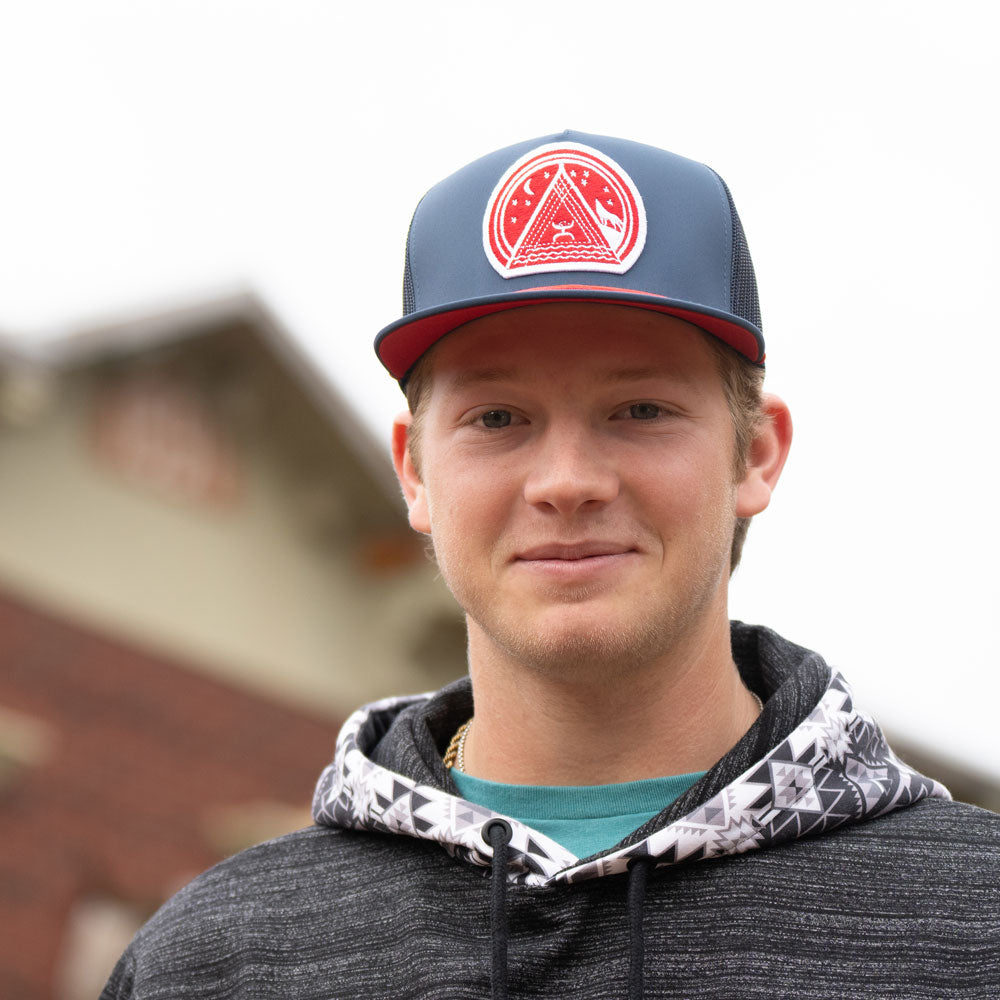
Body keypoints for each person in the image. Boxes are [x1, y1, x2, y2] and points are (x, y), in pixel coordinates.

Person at [102, 131, 1000, 999]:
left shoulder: (976, 927)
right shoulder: (215, 962)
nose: (566, 482)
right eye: (497, 418)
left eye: (641, 409)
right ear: (414, 470)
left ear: (756, 454)